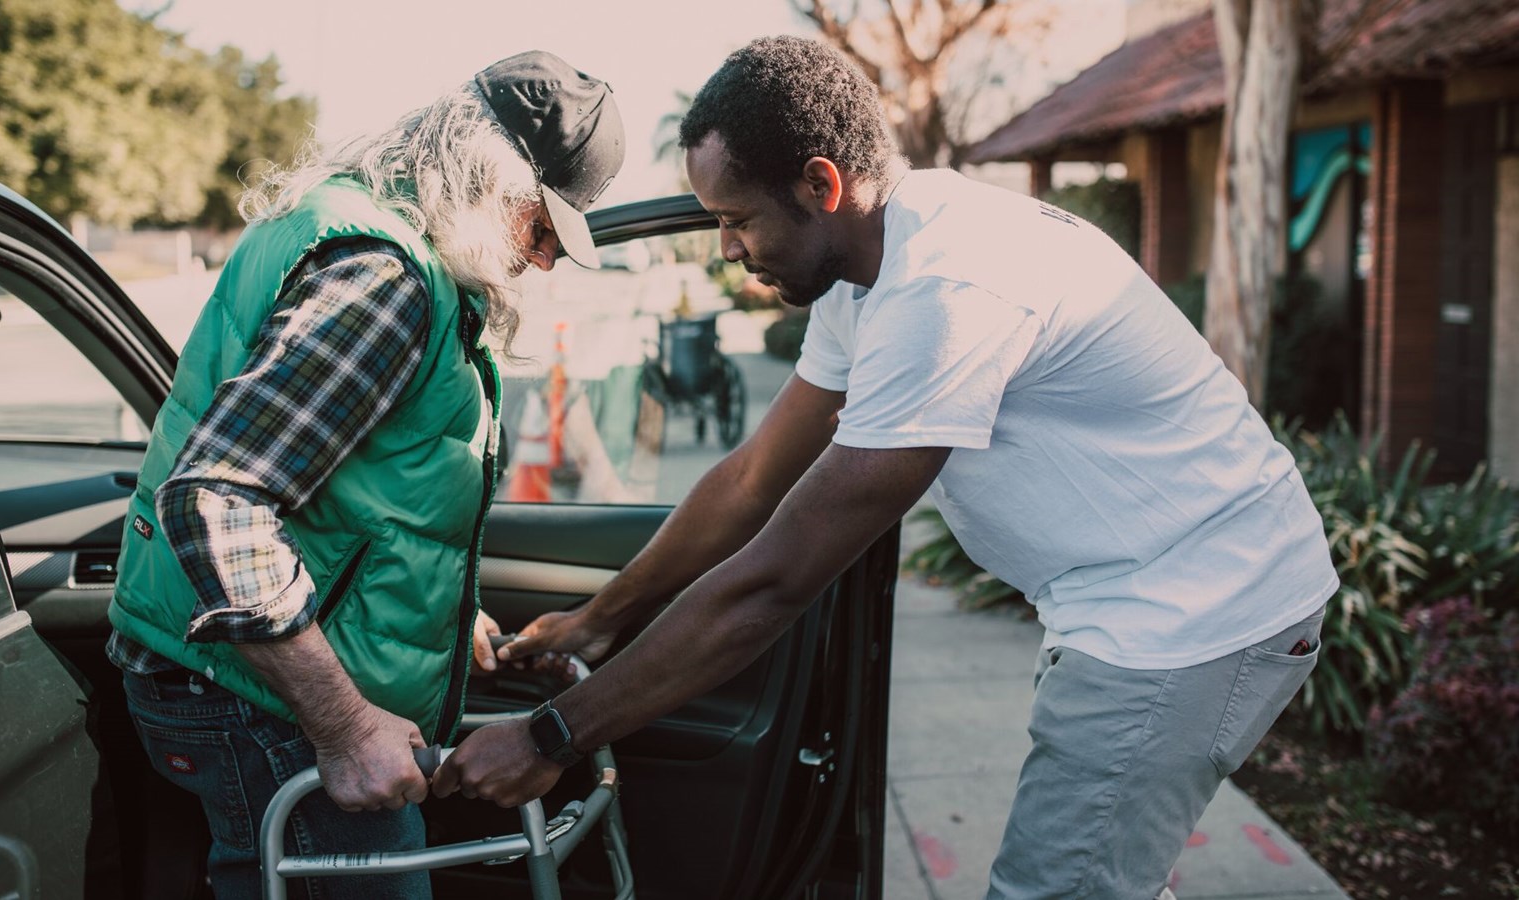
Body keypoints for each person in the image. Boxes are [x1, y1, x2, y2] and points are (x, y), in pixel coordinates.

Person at [439, 36, 1338, 900]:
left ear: (821, 184)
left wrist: (552, 738)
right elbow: (754, 480)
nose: (726, 249)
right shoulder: (871, 269)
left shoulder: (946, 287)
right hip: (1131, 598)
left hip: (1197, 611)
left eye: (737, 220)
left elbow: (775, 580)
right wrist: (598, 621)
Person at [106, 51, 624, 899]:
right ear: (490, 177)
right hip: (265, 703)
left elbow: (350, 486)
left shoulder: (349, 228)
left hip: (227, 674)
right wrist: (345, 727)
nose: (542, 260)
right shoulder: (385, 279)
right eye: (541, 227)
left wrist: (439, 614)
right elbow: (219, 500)